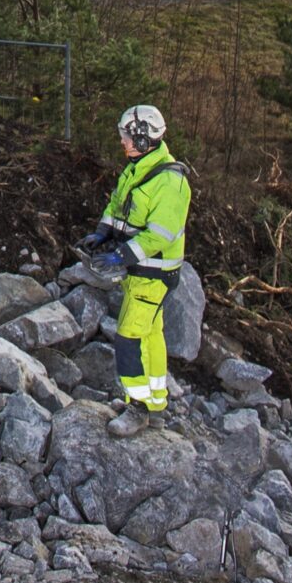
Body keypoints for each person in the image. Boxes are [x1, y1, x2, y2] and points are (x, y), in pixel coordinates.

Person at [84, 104, 191, 435]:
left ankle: (138, 408)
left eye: (128, 137)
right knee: (150, 335)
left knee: (129, 337)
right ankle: (156, 404)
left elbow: (160, 234)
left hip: (152, 274)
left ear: (145, 140)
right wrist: (102, 232)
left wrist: (120, 257)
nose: (122, 142)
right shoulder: (137, 169)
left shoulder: (169, 182)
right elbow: (117, 206)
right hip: (141, 271)